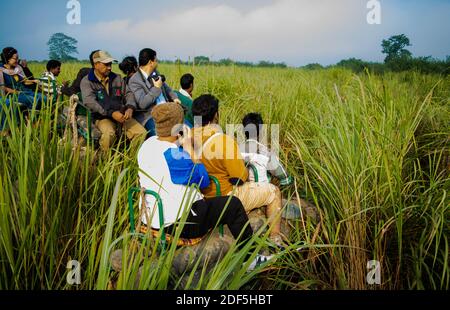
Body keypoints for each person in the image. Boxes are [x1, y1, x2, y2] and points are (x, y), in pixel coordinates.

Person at [137, 102, 272, 269]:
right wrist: (189, 149)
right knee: (233, 205)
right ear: (179, 127)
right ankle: (251, 258)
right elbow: (204, 179)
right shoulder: (174, 156)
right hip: (179, 224)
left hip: (151, 216)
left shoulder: (147, 144)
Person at [191, 95, 283, 246]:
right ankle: (275, 239)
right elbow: (239, 178)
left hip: (200, 196)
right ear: (216, 115)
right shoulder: (223, 140)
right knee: (274, 192)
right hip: (223, 196)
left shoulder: (187, 136)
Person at [80, 50, 146, 151]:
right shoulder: (87, 81)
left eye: (110, 64)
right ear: (96, 64)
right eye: (106, 64)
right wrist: (111, 113)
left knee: (141, 133)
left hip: (122, 115)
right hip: (102, 118)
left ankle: (130, 160)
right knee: (108, 135)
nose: (110, 67)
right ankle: (105, 160)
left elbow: (129, 94)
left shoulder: (117, 78)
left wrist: (130, 107)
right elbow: (90, 102)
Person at [128, 48, 180, 137]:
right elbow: (142, 103)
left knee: (187, 130)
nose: (157, 63)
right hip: (151, 116)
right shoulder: (134, 81)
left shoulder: (155, 73)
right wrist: (156, 88)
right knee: (163, 138)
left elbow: (167, 88)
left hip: (168, 110)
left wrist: (175, 97)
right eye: (156, 60)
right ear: (150, 62)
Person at [240, 113, 292, 185]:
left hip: (241, 193)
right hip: (262, 193)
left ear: (243, 131)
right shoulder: (266, 153)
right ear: (260, 132)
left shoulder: (235, 150)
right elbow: (286, 179)